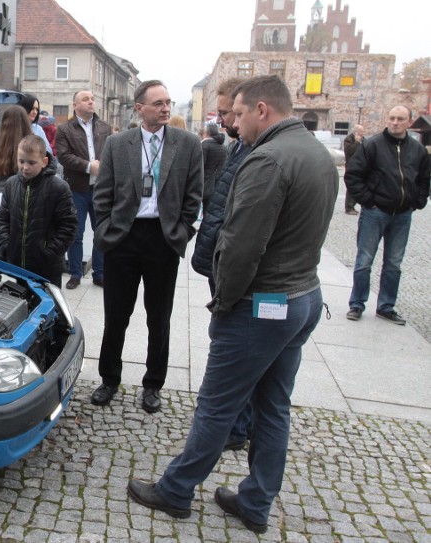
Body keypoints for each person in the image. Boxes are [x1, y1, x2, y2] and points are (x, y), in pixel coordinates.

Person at [127, 75, 337, 535]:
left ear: (263, 109)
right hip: (302, 297)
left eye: (238, 114)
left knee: (217, 406)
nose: (233, 124)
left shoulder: (268, 160)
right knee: (273, 406)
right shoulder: (316, 154)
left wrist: (224, 303)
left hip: (262, 303)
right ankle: (255, 502)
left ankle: (176, 490)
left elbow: (242, 246)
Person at [90, 80, 202, 411]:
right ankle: (109, 379)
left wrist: (180, 231)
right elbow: (103, 193)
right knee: (116, 316)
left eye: (169, 102)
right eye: (159, 103)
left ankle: (153, 384)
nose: (167, 107)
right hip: (123, 238)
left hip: (163, 239)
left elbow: (194, 195)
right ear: (140, 109)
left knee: (159, 317)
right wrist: (106, 230)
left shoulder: (187, 144)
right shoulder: (117, 143)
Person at [190, 77, 253, 451]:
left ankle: (236, 425)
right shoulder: (238, 144)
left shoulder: (256, 151)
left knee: (236, 349)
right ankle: (235, 420)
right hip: (221, 262)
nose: (225, 119)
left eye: (230, 111)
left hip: (233, 270)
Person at [345, 106, 430, 325]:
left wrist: (418, 201)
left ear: (409, 122)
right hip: (376, 212)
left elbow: (424, 178)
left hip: (402, 214)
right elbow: (353, 175)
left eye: (400, 119)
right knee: (364, 260)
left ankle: (386, 306)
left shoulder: (417, 150)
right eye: (392, 118)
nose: (395, 122)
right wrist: (368, 201)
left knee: (393, 263)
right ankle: (357, 303)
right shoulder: (372, 145)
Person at [0, 135, 77, 288]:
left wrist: (48, 253)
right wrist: (6, 246)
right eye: (21, 161)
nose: (25, 167)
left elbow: (69, 226)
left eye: (31, 162)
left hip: (47, 268)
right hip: (15, 265)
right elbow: (3, 219)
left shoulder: (58, 188)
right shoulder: (11, 184)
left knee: (47, 307)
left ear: (44, 161)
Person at [56, 89, 112, 289]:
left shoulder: (105, 128)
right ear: (75, 105)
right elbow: (63, 156)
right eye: (85, 99)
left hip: (101, 189)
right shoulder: (65, 129)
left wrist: (103, 166)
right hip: (76, 189)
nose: (91, 102)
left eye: (92, 99)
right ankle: (75, 274)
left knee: (101, 232)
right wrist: (89, 166)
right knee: (75, 233)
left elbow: (112, 153)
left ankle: (100, 273)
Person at [0, 106, 33, 214]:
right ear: (25, 122)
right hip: (27, 193)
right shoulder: (32, 143)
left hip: (2, 193)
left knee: (4, 229)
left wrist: (1, 183)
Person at [200, 123, 227, 212]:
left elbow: (200, 165)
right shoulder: (223, 146)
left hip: (204, 182)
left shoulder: (205, 144)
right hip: (218, 182)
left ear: (207, 132)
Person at [341, 125, 364, 215]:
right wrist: (357, 143)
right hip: (351, 166)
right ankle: (349, 207)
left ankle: (354, 205)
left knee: (359, 186)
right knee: (351, 187)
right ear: (356, 132)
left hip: (361, 166)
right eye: (361, 132)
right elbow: (349, 151)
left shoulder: (363, 139)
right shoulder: (348, 139)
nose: (362, 134)